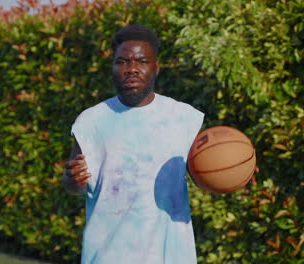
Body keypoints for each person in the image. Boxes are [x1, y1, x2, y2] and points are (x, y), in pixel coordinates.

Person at [63, 24, 204, 264]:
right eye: (122, 62)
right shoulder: (91, 122)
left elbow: (208, 171)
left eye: (141, 61)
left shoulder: (183, 118)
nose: (132, 69)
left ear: (156, 68)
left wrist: (237, 173)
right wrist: (72, 180)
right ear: (113, 67)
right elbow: (74, 183)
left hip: (170, 256)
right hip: (109, 256)